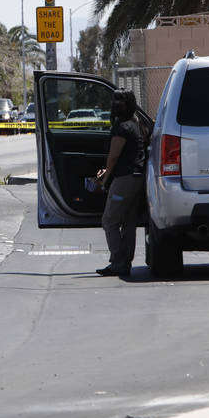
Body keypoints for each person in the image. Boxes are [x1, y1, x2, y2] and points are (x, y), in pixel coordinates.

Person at [92, 89, 146, 277]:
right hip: (136, 177)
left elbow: (114, 156)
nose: (116, 105)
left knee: (109, 220)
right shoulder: (134, 123)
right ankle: (125, 263)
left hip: (125, 178)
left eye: (119, 101)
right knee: (128, 223)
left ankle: (117, 261)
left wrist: (105, 179)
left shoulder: (122, 126)